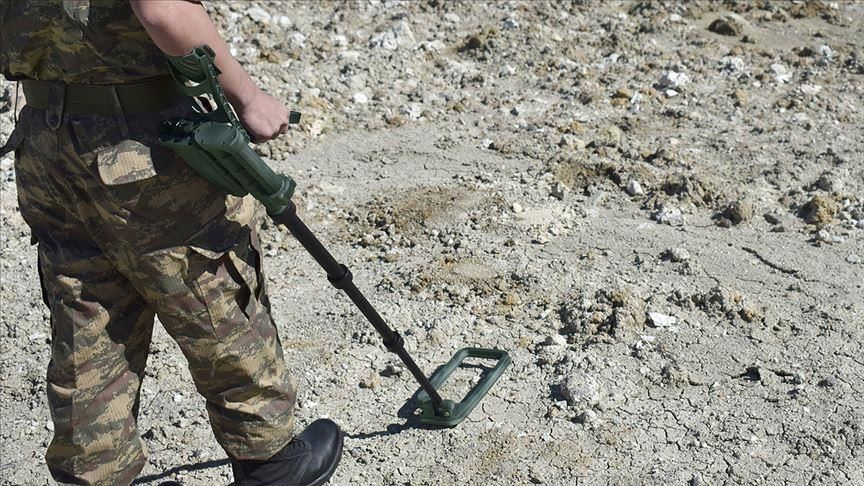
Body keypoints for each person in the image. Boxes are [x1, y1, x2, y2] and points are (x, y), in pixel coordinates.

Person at [0, 1, 343, 485]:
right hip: (140, 139)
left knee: (86, 305)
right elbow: (161, 10)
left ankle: (96, 473)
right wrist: (248, 97)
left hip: (45, 141)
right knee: (209, 285)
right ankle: (268, 461)